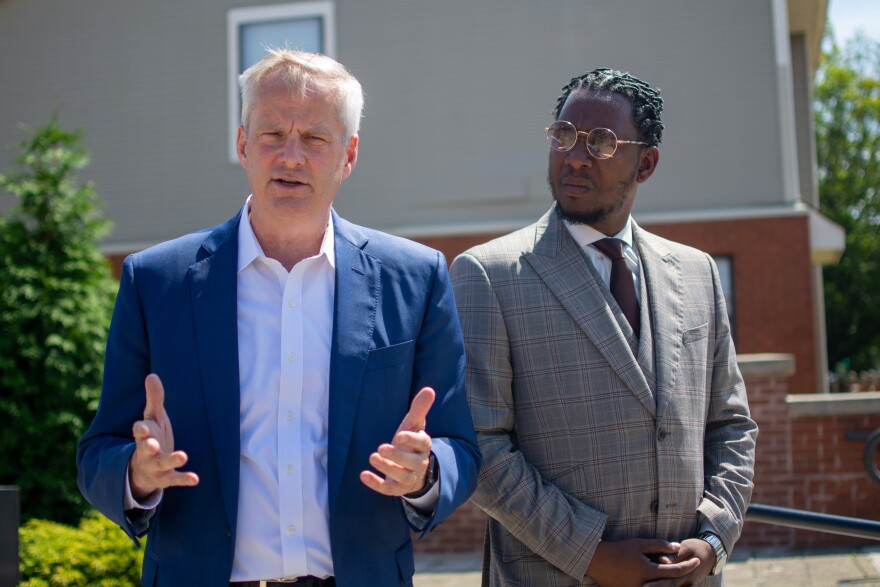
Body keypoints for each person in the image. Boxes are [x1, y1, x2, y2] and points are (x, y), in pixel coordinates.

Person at [77, 48, 480, 587]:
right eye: (272, 135)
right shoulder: (157, 282)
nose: (291, 156)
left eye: (315, 138)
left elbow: (460, 447)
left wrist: (426, 473)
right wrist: (136, 473)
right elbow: (97, 452)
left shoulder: (417, 277)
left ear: (349, 154)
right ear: (243, 144)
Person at [450, 68, 757, 587]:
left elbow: (731, 425)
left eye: (601, 142)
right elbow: (482, 447)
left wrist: (713, 540)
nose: (574, 155)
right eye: (564, 135)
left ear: (647, 163)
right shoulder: (490, 274)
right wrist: (591, 555)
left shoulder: (698, 272)